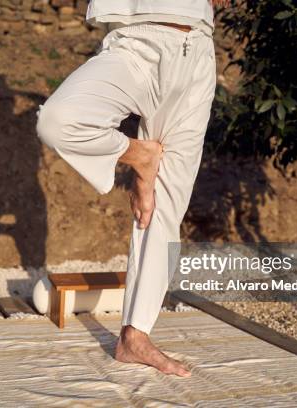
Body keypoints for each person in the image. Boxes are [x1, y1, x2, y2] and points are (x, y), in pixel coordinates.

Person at [36, 0, 229, 377]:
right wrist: (132, 151)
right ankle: (139, 156)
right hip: (136, 42)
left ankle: (134, 336)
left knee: (165, 204)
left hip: (198, 48)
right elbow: (58, 125)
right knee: (58, 121)